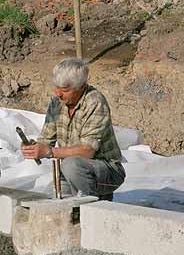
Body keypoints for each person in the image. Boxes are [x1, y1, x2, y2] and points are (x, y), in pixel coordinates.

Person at [21, 58, 125, 200]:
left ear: (81, 87)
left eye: (65, 89)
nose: (58, 93)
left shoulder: (95, 102)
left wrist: (50, 152)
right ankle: (79, 206)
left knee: (72, 165)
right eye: (56, 87)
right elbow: (46, 140)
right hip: (71, 171)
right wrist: (34, 147)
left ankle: (94, 206)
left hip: (108, 171)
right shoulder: (57, 103)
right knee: (52, 200)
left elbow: (87, 151)